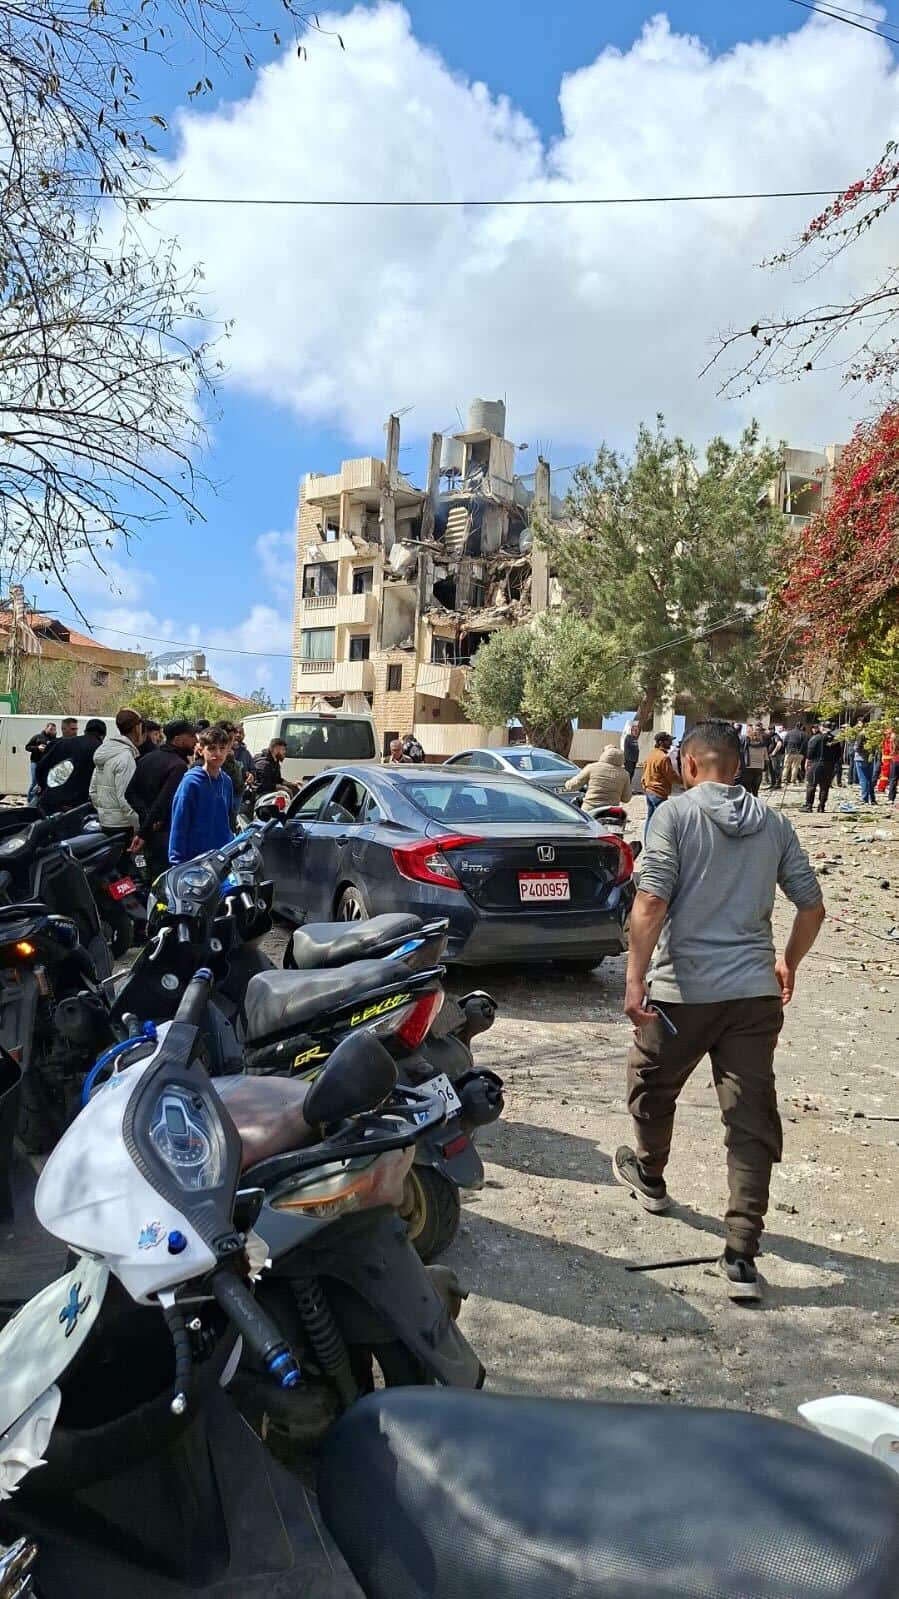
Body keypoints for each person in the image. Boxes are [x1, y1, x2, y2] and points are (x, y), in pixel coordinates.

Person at [615, 719, 824, 1303]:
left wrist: (635, 978)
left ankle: (650, 1175)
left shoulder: (674, 817)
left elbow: (651, 900)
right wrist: (788, 962)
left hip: (684, 992)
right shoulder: (776, 823)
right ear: (738, 766)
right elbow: (812, 906)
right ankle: (741, 1254)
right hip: (753, 996)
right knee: (750, 1117)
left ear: (687, 765)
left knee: (651, 1083)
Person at [127, 719, 197, 878]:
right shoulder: (178, 766)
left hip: (150, 831)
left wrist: (145, 819)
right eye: (192, 736)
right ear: (178, 739)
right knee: (166, 881)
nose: (196, 741)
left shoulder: (147, 758)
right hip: (166, 836)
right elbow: (162, 802)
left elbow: (130, 793)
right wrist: (149, 825)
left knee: (153, 876)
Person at [169, 726, 234, 864]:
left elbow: (228, 818)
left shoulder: (227, 781)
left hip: (222, 856)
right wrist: (177, 861)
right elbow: (179, 824)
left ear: (228, 750)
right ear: (201, 749)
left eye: (222, 748)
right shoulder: (191, 782)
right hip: (195, 859)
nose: (217, 753)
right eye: (211, 748)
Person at [34, 719, 106, 814]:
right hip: (78, 806)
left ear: (85, 731)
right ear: (103, 735)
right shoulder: (102, 751)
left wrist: (45, 787)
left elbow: (40, 767)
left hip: (51, 801)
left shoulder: (60, 743)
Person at [89, 708, 143, 834]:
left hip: (106, 822)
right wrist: (139, 828)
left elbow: (93, 791)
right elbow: (126, 798)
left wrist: (105, 812)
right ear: (137, 728)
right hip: (123, 825)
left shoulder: (106, 752)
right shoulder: (125, 757)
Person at [564, 746, 631, 814]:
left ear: (604, 755)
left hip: (591, 808)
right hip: (611, 812)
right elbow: (626, 798)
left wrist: (567, 784)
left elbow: (573, 786)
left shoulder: (592, 767)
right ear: (622, 759)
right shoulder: (625, 774)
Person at [641, 732, 675, 836]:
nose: (671, 743)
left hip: (649, 791)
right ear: (661, 742)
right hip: (659, 793)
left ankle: (647, 843)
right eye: (668, 741)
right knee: (660, 822)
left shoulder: (651, 755)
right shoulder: (663, 757)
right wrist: (686, 780)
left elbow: (645, 772)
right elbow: (671, 776)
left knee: (650, 819)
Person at [803, 724, 837, 813]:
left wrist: (808, 760)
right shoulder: (834, 739)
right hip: (829, 765)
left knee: (811, 785)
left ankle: (808, 805)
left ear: (822, 727)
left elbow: (810, 751)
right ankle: (821, 806)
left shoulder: (816, 738)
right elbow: (838, 754)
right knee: (825, 787)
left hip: (816, 763)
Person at [25, 722, 57, 802]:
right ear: (46, 728)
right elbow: (27, 747)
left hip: (47, 764)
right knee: (35, 781)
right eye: (50, 729)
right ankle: (30, 800)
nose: (52, 731)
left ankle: (39, 800)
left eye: (54, 730)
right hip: (35, 762)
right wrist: (37, 748)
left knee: (44, 782)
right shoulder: (37, 737)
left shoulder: (55, 740)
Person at [741, 724, 768, 796]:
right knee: (755, 791)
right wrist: (765, 768)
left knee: (748, 791)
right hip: (759, 769)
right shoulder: (763, 747)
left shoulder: (747, 747)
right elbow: (766, 759)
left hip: (748, 769)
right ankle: (756, 803)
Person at [854, 730, 877, 804]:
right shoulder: (873, 734)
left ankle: (865, 798)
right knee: (869, 779)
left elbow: (857, 748)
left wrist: (855, 748)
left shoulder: (861, 734)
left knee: (863, 779)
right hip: (870, 759)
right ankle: (872, 798)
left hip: (861, 759)